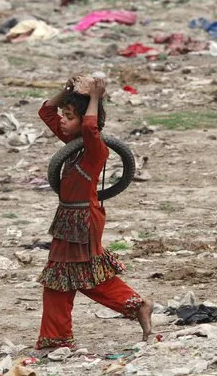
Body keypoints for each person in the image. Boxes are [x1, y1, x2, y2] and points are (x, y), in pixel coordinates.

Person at [35, 75, 153, 350]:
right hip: (68, 218)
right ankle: (135, 305)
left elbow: (90, 126)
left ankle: (58, 338)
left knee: (68, 276)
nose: (62, 120)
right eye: (64, 115)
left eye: (69, 116)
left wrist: (96, 98)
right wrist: (66, 91)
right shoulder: (70, 141)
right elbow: (45, 111)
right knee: (70, 277)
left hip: (84, 219)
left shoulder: (95, 149)